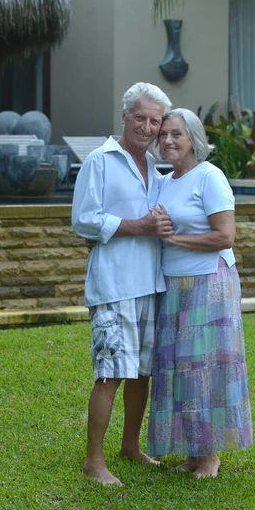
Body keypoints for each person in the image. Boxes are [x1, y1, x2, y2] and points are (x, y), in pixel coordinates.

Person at [72, 82, 173, 486]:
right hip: (114, 285)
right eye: (140, 118)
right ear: (125, 116)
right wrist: (138, 226)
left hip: (150, 282)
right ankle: (93, 461)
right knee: (111, 371)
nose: (147, 128)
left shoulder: (156, 168)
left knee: (141, 372)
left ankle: (130, 445)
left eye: (155, 121)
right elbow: (82, 219)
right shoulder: (100, 160)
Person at [147, 108, 253, 478]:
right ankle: (193, 452)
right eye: (163, 135)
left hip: (209, 283)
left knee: (203, 365)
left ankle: (210, 456)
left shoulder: (210, 176)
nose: (168, 141)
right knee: (179, 367)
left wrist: (175, 238)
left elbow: (225, 235)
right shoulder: (163, 181)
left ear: (194, 138)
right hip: (173, 285)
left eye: (177, 133)